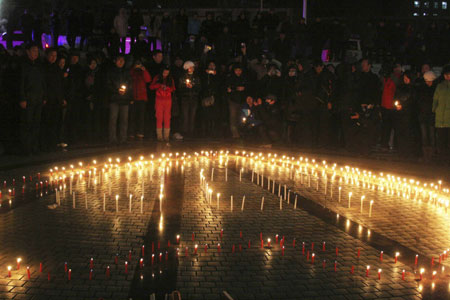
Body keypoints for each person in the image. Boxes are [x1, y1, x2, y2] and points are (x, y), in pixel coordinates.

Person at [19, 43, 46, 154]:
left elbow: (42, 82)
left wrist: (44, 96)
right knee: (27, 123)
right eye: (33, 50)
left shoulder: (39, 65)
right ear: (28, 51)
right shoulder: (23, 65)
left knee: (36, 123)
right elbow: (20, 83)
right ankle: (26, 148)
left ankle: (34, 147)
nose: (35, 53)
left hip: (38, 98)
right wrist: (22, 98)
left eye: (37, 51)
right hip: (29, 98)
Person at [41, 48, 65, 151]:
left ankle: (53, 143)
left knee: (55, 122)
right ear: (47, 55)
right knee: (47, 122)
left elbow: (60, 85)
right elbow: (43, 84)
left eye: (55, 56)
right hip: (48, 99)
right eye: (52, 55)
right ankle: (45, 144)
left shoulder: (57, 68)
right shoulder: (43, 68)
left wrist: (61, 98)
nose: (53, 58)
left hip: (56, 100)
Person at [107, 54, 132, 145]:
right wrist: (117, 90)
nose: (121, 62)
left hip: (124, 99)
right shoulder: (111, 72)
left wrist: (126, 91)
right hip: (114, 98)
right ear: (115, 61)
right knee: (113, 119)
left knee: (124, 119)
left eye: (122, 60)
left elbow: (130, 84)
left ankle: (123, 139)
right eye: (119, 60)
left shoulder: (126, 72)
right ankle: (112, 139)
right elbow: (108, 84)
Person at [150, 65, 175, 142]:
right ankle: (160, 136)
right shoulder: (157, 78)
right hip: (159, 100)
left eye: (167, 73)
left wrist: (167, 89)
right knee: (159, 117)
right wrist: (158, 86)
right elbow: (151, 87)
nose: (165, 74)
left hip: (167, 100)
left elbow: (173, 88)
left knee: (167, 117)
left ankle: (166, 136)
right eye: (164, 73)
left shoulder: (170, 79)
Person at [416, 71, 437, 161]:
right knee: (424, 135)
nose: (428, 83)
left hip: (431, 115)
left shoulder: (435, 89)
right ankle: (425, 155)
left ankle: (431, 155)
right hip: (423, 115)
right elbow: (419, 102)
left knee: (432, 135)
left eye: (430, 81)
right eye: (427, 81)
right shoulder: (422, 89)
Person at [178, 61, 201, 137]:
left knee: (192, 115)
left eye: (193, 67)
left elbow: (199, 87)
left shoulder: (196, 77)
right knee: (185, 116)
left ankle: (191, 132)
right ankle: (185, 131)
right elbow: (180, 88)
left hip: (194, 98)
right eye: (190, 67)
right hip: (185, 98)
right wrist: (186, 87)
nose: (192, 68)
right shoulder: (183, 77)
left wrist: (193, 86)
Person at [129, 60, 151, 140]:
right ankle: (131, 133)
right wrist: (133, 69)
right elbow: (129, 77)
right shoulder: (132, 72)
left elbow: (148, 79)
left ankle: (140, 133)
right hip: (133, 97)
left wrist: (144, 70)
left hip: (142, 98)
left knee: (141, 116)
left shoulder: (143, 72)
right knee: (132, 116)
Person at [433, 65, 450, 160]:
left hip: (448, 119)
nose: (447, 76)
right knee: (441, 140)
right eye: (445, 75)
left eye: (449, 74)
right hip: (440, 119)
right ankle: (442, 159)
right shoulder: (440, 86)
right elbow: (435, 99)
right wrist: (434, 109)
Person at [226, 64, 247, 139]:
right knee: (233, 117)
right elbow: (228, 88)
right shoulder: (230, 78)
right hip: (233, 100)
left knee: (241, 117)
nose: (238, 72)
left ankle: (241, 131)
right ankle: (234, 133)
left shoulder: (244, 78)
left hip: (242, 101)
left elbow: (247, 87)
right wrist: (236, 88)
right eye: (237, 70)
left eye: (240, 70)